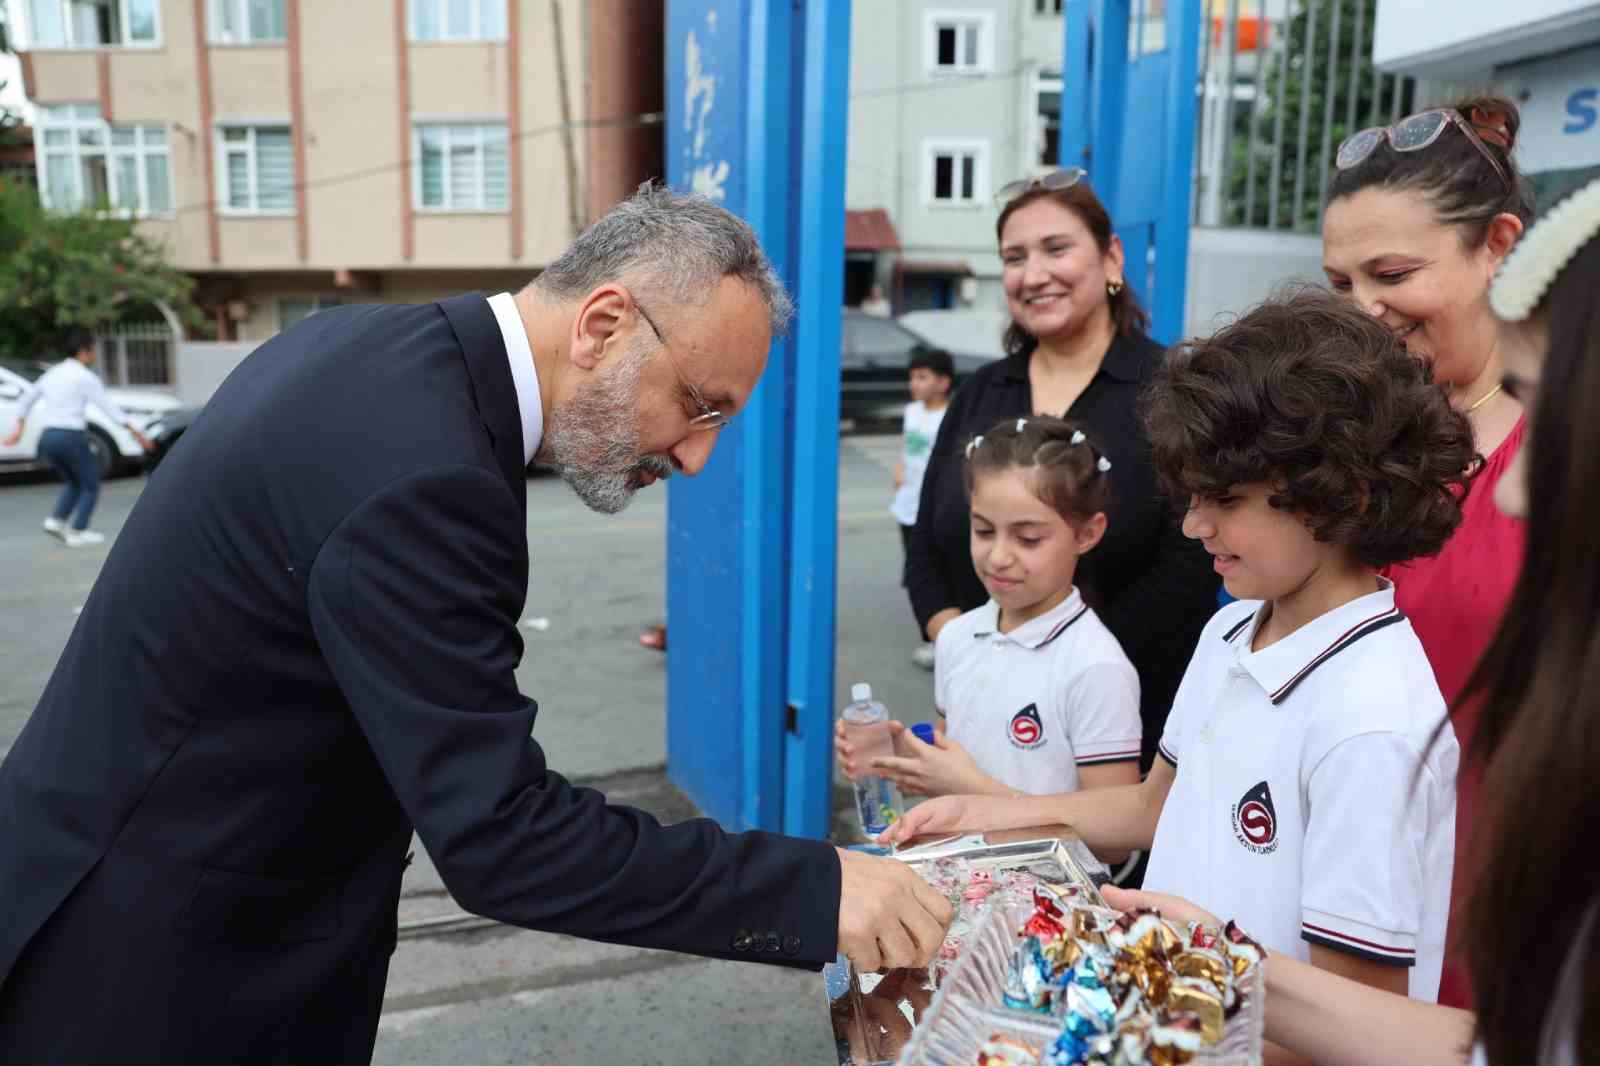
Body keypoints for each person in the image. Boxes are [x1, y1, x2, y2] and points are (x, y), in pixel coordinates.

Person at [0, 183, 953, 1065]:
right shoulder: (430, 477)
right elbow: (504, 839)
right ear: (605, 323)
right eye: (698, 407)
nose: (697, 456)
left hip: (109, 889)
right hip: (156, 973)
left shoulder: (368, 352)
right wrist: (819, 889)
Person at [1105, 174, 1600, 1066]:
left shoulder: (1373, 714)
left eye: (1550, 416)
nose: (1514, 486)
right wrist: (1201, 972)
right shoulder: (1236, 632)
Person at [885, 292, 1476, 1021]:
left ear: (1340, 494)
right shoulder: (1231, 633)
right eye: (1191, 497)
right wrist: (979, 811)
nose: (1195, 526)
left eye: (1225, 500)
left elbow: (1358, 1021)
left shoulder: (1373, 724)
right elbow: (1147, 809)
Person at [1321, 92, 1533, 1009]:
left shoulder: (1565, 454)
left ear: (1498, 246)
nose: (1364, 311)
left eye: (1392, 274)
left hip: (1508, 899)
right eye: (1340, 285)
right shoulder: (1342, 434)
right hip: (1341, 887)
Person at [903, 169, 1217, 777]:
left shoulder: (1174, 392)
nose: (1034, 274)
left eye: (1056, 248)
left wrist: (1050, 663)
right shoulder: (980, 393)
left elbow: (1190, 574)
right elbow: (927, 546)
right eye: (1014, 257)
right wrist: (968, 648)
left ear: (1111, 258)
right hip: (979, 729)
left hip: (1120, 733)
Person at [839, 416, 1141, 801]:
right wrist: (895, 759)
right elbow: (953, 758)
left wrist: (971, 790)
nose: (998, 556)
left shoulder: (1095, 668)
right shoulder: (957, 636)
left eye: (1028, 538)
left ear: (1087, 533)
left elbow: (1113, 831)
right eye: (983, 530)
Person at [1, 329, 154, 546]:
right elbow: (110, 409)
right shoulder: (85, 377)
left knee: (74, 481)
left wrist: (18, 430)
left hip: (48, 437)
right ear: (83, 351)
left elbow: (26, 400)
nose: (94, 356)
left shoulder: (52, 373)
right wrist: (138, 435)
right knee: (90, 482)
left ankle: (56, 520)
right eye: (92, 351)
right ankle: (78, 529)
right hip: (70, 436)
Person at [893, 346, 954, 669]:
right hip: (907, 508)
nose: (914, 384)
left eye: (922, 377)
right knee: (916, 573)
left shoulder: (951, 417)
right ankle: (930, 636)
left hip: (933, 510)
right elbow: (906, 450)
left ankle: (941, 642)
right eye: (912, 377)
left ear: (943, 382)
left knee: (939, 571)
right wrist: (900, 469)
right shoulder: (912, 412)